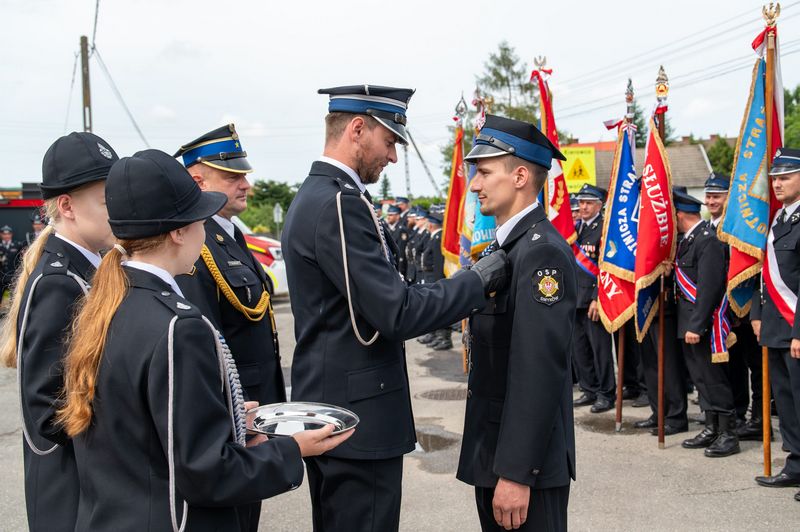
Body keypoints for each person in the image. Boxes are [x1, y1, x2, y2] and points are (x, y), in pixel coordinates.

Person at [55, 149, 351, 531]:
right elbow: (206, 473)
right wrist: (292, 449)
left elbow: (140, 430)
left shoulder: (108, 303)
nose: (205, 230)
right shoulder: (179, 327)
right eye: (200, 219)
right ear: (179, 232)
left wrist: (227, 421)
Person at [281, 84, 508, 532]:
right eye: (389, 141)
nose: (392, 156)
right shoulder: (338, 204)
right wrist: (477, 280)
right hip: (356, 419)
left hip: (341, 410)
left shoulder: (327, 196)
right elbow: (397, 311)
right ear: (357, 130)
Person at [456, 114, 576, 532]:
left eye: (485, 172)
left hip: (523, 469)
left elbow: (539, 370)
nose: (475, 185)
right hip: (495, 454)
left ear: (521, 176)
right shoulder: (507, 248)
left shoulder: (541, 252)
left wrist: (516, 473)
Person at [0, 132, 118, 531]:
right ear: (67, 206)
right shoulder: (60, 283)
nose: (119, 209)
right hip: (72, 496)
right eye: (106, 201)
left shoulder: (87, 268)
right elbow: (49, 411)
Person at [173, 124, 285, 531]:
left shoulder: (230, 236)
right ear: (197, 181)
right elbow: (202, 346)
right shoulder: (196, 246)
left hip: (252, 413)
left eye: (244, 175)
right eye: (232, 176)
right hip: (231, 420)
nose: (245, 184)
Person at [673, 186, 739, 457]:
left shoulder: (707, 240)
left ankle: (728, 434)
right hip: (688, 322)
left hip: (703, 325)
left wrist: (696, 325)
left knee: (713, 379)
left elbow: (709, 288)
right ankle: (711, 427)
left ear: (679, 214)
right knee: (700, 378)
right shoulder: (688, 240)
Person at [751, 148, 800, 500]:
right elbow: (764, 276)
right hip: (775, 327)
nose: (778, 184)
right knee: (785, 402)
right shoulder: (778, 220)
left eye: (785, 177)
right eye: (775, 178)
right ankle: (796, 464)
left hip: (795, 329)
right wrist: (757, 314)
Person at [705, 172, 766, 440]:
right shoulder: (708, 229)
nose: (711, 201)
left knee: (756, 366)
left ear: (729, 198)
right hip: (723, 312)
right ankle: (738, 413)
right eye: (708, 196)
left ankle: (760, 420)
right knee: (734, 365)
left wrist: (746, 309)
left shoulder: (739, 228)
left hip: (747, 308)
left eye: (717, 196)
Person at [571, 183, 616, 413]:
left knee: (600, 350)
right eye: (581, 202)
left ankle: (606, 394)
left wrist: (598, 297)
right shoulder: (575, 228)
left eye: (589, 203)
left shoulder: (604, 229)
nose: (584, 207)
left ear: (599, 205)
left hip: (593, 299)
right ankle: (589, 389)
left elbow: (606, 267)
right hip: (575, 298)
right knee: (580, 348)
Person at [420, 211, 452, 350]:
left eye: (427, 222)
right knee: (432, 308)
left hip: (435, 278)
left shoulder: (438, 238)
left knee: (439, 309)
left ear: (431, 224)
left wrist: (439, 283)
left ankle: (444, 338)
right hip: (430, 277)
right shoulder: (433, 237)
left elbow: (439, 264)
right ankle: (434, 334)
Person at [386, 204, 409, 280]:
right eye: (388, 215)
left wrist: (400, 268)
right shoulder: (388, 228)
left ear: (398, 216)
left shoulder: (401, 230)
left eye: (391, 215)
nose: (388, 217)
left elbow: (401, 251)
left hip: (398, 264)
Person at [0, 225, 23, 299]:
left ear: (11, 234)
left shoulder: (17, 245)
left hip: (13, 276)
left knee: (13, 298)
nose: (6, 236)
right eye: (4, 234)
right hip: (1, 276)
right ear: (1, 234)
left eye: (8, 234)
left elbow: (20, 260)